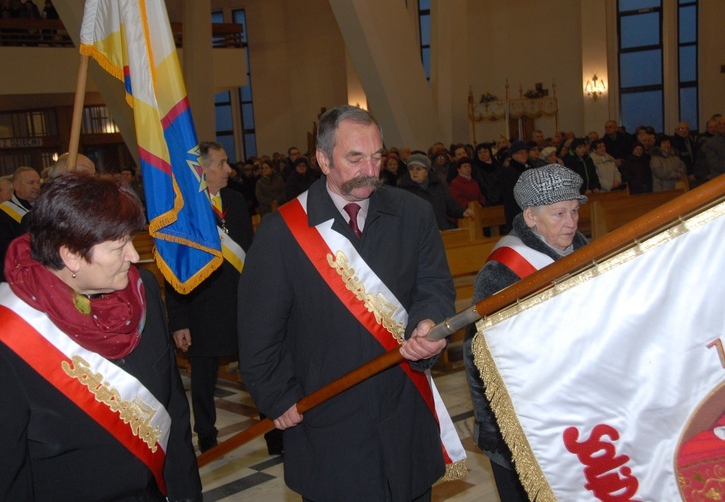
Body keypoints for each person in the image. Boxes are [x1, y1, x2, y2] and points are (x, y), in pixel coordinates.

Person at [238, 105, 463, 501]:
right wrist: (276, 397)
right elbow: (258, 333)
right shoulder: (281, 232)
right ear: (323, 160)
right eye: (355, 158)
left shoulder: (413, 213)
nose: (370, 170)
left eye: (377, 157)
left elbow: (435, 287)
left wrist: (429, 323)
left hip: (404, 405)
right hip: (329, 419)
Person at [0, 173, 201, 501]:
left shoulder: (143, 290)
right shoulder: (1, 338)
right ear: (70, 255)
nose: (134, 257)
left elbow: (173, 409)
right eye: (118, 246)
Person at [463, 164, 590, 501]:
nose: (572, 222)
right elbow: (480, 355)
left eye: (575, 211)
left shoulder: (584, 247)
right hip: (529, 419)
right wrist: (497, 430)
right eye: (559, 213)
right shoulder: (504, 269)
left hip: (584, 409)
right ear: (531, 217)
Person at [165, 141, 253, 454]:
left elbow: (250, 254)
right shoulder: (184, 209)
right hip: (201, 308)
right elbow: (173, 269)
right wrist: (179, 320)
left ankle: (273, 429)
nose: (228, 170)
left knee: (258, 367)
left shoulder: (237, 200)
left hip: (240, 304)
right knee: (203, 378)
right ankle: (206, 432)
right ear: (201, 169)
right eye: (221, 164)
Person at [0, 166, 41, 286]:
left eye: (38, 182)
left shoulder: (42, 207)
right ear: (16, 185)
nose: (36, 187)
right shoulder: (1, 213)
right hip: (17, 276)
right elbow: (2, 251)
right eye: (31, 183)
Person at [397, 153, 475, 230]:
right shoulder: (404, 190)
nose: (414, 172)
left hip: (442, 228)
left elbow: (449, 204)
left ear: (426, 171)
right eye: (411, 169)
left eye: (418, 169)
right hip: (421, 234)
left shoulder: (437, 185)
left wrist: (462, 211)